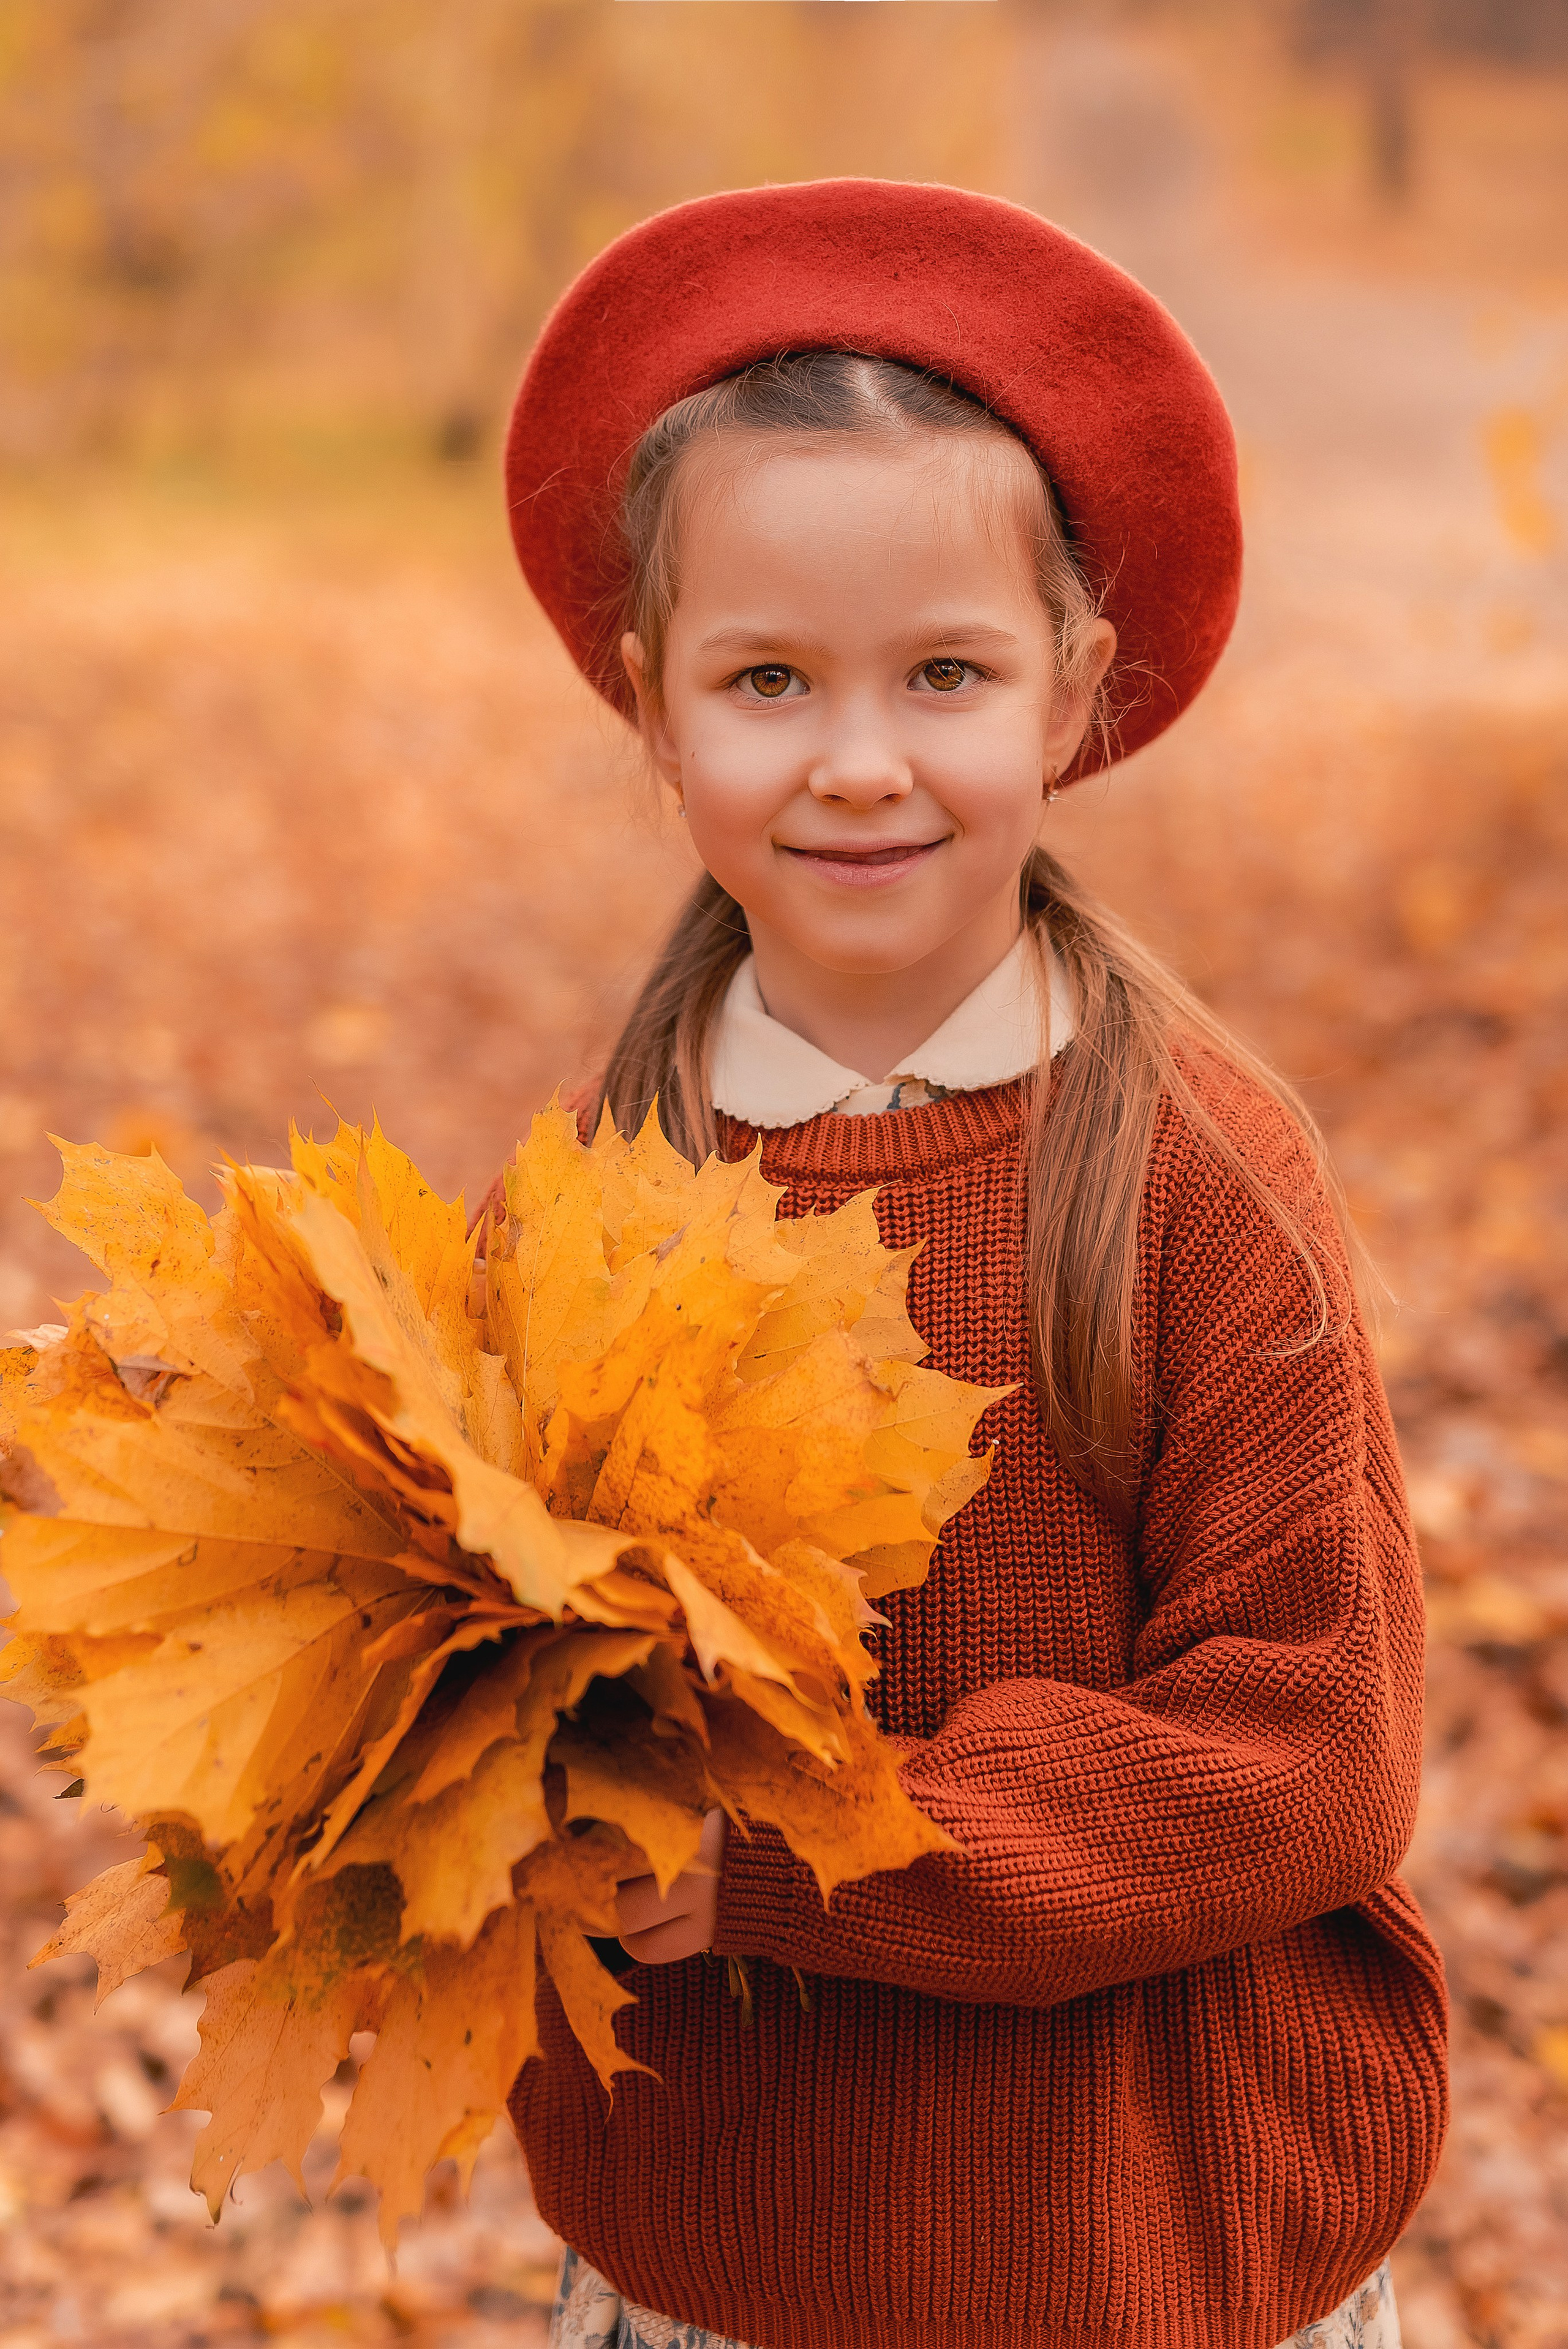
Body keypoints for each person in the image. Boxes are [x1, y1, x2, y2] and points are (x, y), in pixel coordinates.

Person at [496, 180, 1448, 2349]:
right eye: (766, 678)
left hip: (1149, 2245)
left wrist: (792, 1852)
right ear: (657, 708)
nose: (855, 759)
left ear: (1074, 693)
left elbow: (1313, 1744)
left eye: (944, 672)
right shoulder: (599, 1177)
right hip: (728, 2247)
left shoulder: (1196, 1171)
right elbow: (475, 1649)